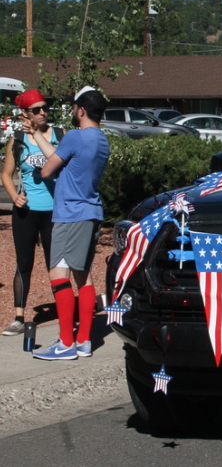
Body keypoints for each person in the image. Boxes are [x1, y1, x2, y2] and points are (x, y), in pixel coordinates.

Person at [26, 86, 110, 360]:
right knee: (83, 276)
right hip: (91, 213)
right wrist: (36, 134)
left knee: (57, 276)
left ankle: (65, 343)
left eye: (74, 106)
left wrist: (42, 170)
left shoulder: (75, 136)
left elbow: (49, 168)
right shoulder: (100, 139)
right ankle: (83, 341)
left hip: (70, 214)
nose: (72, 111)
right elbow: (62, 156)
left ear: (82, 109)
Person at [1, 90, 62, 336]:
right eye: (36, 109)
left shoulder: (61, 136)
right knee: (24, 264)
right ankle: (19, 316)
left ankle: (64, 313)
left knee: (56, 265)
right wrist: (15, 196)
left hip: (54, 212)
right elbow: (6, 174)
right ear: (25, 114)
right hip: (26, 212)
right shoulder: (17, 140)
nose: (42, 113)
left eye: (44, 108)